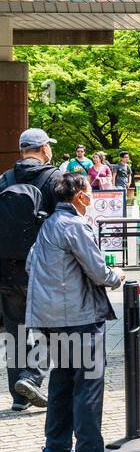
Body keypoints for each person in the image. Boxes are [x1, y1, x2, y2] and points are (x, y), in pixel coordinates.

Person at [26, 172, 123, 452]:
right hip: (80, 316)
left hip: (51, 316)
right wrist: (116, 277)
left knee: (63, 381)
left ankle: (55, 449)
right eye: (89, 191)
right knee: (88, 383)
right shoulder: (75, 225)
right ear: (80, 196)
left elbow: (31, 263)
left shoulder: (49, 225)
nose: (92, 195)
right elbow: (97, 270)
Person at [0, 128, 61, 412]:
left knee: (15, 330)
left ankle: (18, 397)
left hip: (7, 267)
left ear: (23, 150)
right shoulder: (54, 178)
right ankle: (33, 376)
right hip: (41, 267)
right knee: (50, 326)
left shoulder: (5, 179)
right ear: (44, 148)